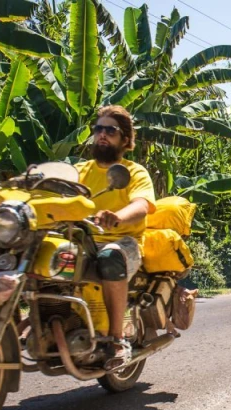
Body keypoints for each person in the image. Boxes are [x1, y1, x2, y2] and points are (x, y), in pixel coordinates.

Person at [75, 105, 156, 370]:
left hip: (124, 242)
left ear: (125, 139)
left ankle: (117, 340)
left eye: (110, 130)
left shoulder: (133, 172)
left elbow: (142, 204)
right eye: (98, 129)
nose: (102, 135)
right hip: (83, 241)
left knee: (109, 256)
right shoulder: (79, 171)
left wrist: (118, 217)